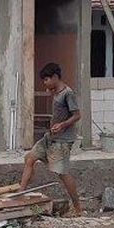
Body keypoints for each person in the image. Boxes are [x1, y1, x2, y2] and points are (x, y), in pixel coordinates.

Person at [20, 62, 83, 216]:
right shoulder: (55, 92)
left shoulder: (68, 94)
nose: (45, 83)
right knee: (29, 158)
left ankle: (78, 208)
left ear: (55, 77)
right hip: (50, 137)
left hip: (62, 141)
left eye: (46, 79)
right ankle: (20, 194)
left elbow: (77, 115)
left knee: (62, 173)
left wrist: (62, 125)